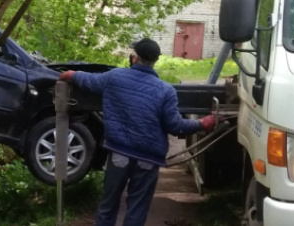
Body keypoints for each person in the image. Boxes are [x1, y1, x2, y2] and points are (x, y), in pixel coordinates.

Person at [59, 38, 216, 226]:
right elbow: (175, 126)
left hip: (119, 154)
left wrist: (70, 75)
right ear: (155, 61)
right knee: (137, 208)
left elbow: (88, 80)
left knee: (108, 205)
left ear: (135, 58)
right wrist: (202, 123)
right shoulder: (166, 91)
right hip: (148, 159)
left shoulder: (114, 77)